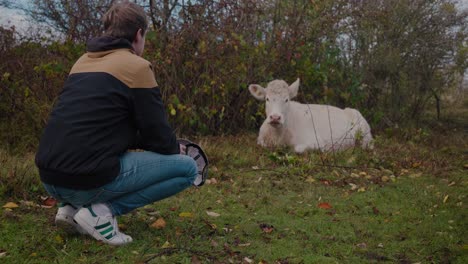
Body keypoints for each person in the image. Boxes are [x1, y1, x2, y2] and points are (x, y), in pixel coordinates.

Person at [35, 1, 199, 246]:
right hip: (85, 180)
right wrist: (176, 148)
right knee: (187, 169)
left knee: (89, 163)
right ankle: (99, 213)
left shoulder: (82, 62)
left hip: (49, 178)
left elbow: (102, 128)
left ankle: (69, 209)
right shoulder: (137, 66)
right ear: (138, 34)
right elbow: (157, 135)